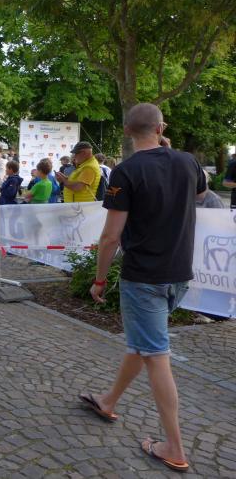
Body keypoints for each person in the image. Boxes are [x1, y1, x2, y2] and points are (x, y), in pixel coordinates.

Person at [80, 103, 206, 474]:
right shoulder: (187, 161)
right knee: (143, 343)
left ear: (127, 131)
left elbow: (110, 237)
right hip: (178, 274)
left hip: (144, 277)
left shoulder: (127, 171)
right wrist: (170, 152)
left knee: (155, 354)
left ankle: (174, 447)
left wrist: (99, 279)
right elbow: (200, 194)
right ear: (161, 128)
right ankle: (108, 400)